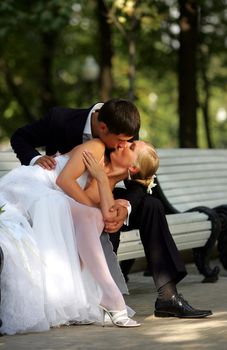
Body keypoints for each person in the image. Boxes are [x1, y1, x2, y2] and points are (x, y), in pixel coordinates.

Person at [9, 98, 212, 319]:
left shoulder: (124, 127)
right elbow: (20, 138)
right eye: (123, 140)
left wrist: (126, 207)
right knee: (99, 216)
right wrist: (37, 158)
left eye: (130, 141)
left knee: (152, 205)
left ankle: (168, 296)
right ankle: (104, 291)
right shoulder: (61, 120)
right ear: (102, 128)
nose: (124, 143)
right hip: (62, 194)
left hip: (103, 188)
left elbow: (139, 176)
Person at [0, 137, 159, 334]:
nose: (124, 143)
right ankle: (110, 295)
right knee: (91, 215)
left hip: (49, 202)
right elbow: (65, 183)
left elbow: (107, 218)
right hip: (30, 186)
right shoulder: (97, 148)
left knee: (94, 218)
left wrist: (101, 178)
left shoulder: (105, 188)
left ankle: (93, 295)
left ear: (133, 168)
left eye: (131, 147)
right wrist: (98, 206)